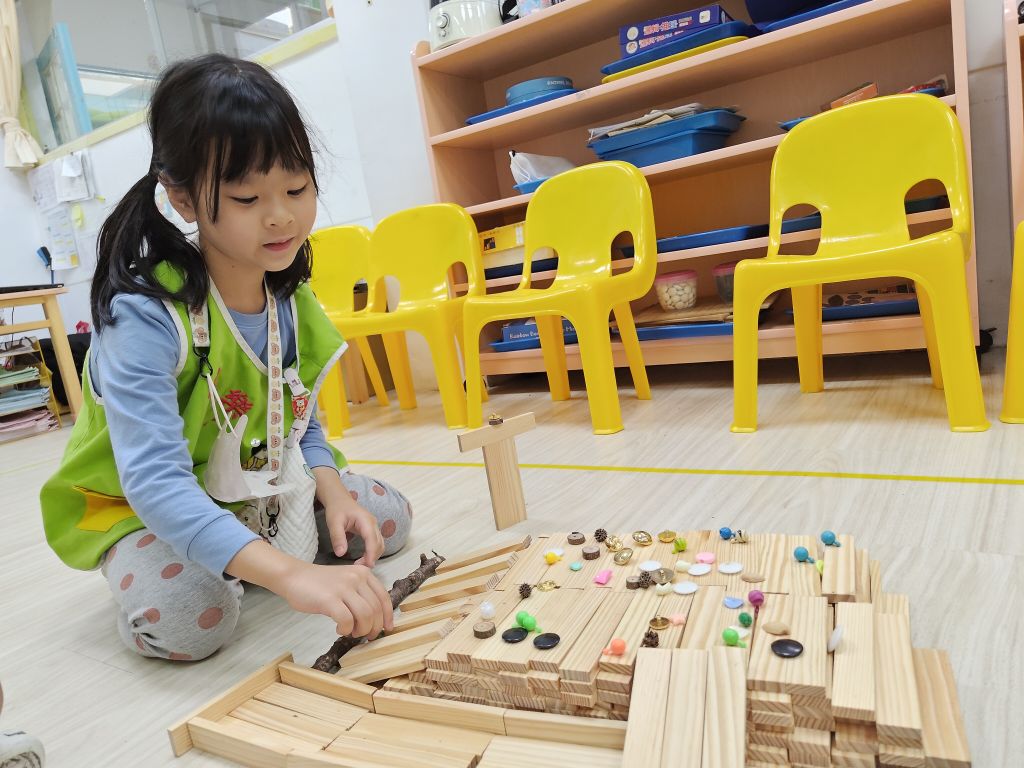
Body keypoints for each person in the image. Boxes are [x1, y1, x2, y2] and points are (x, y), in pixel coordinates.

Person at [39, 54, 411, 662]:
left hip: (248, 488)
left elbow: (301, 416)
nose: (281, 215)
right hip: (141, 505)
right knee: (193, 620)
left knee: (383, 521)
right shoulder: (145, 314)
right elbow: (155, 481)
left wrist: (333, 491)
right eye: (246, 197)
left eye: (297, 188)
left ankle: (243, 548)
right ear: (182, 199)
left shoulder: (287, 294)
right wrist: (291, 575)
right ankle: (177, 560)